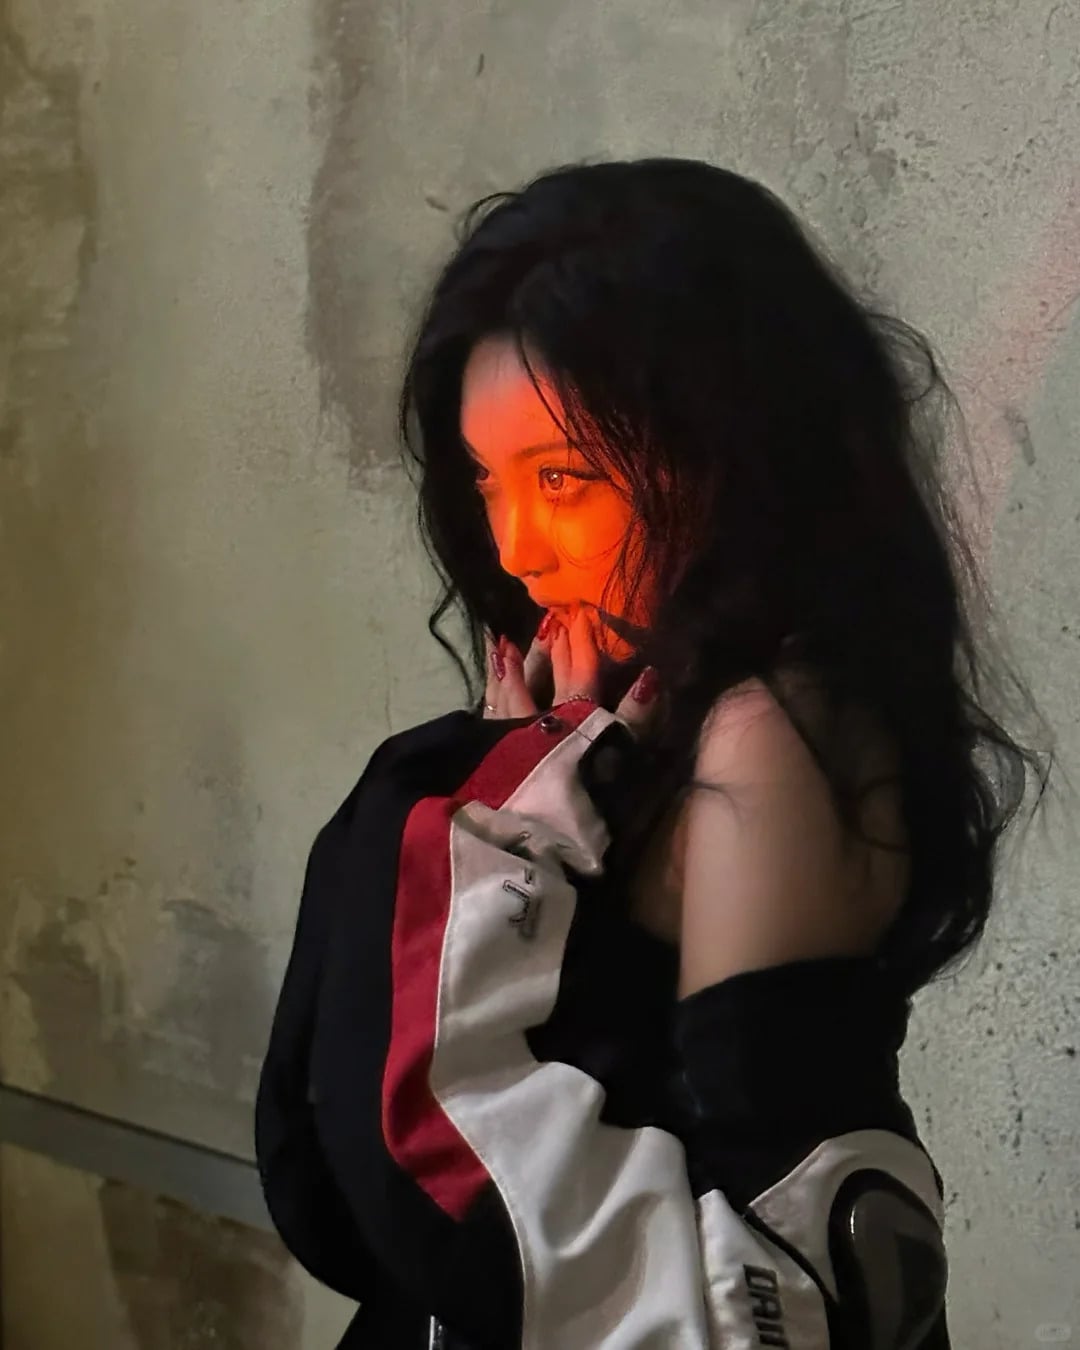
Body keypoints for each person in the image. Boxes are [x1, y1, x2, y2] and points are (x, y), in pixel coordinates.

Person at [255, 157, 1053, 1348]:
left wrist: (509, 809)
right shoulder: (637, 711)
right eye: (486, 480)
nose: (517, 550)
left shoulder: (768, 732)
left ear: (737, 458)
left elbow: (778, 1271)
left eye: (564, 478)